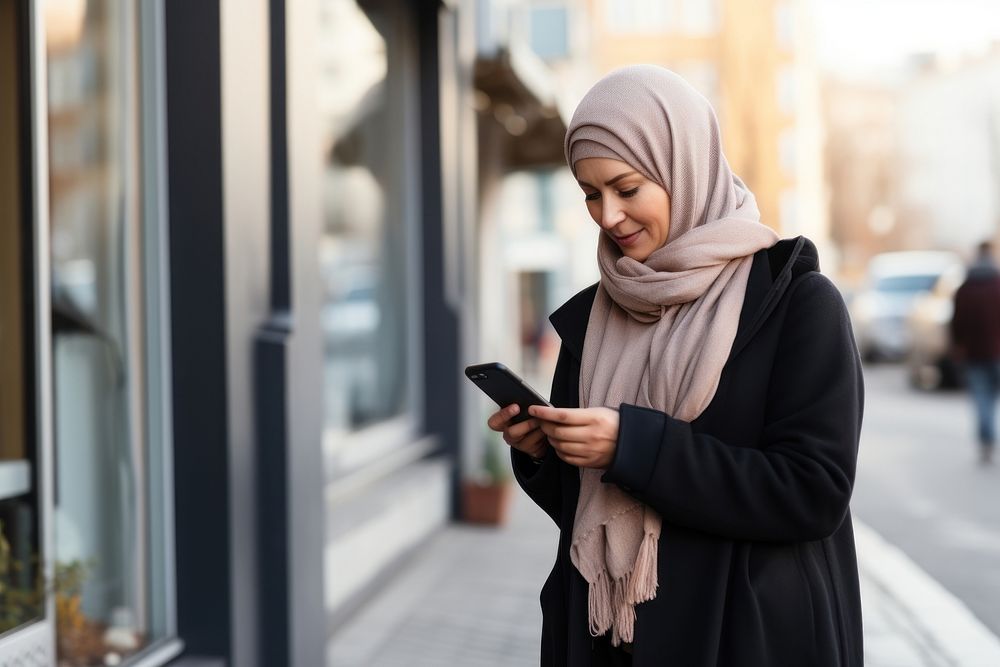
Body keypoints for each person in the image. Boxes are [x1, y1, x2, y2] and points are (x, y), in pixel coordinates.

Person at [486, 66, 864, 666]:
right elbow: (590, 513)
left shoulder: (795, 304)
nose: (608, 215)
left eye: (627, 187)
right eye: (590, 193)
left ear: (682, 169)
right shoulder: (590, 321)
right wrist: (544, 453)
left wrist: (634, 446)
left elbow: (812, 492)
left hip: (743, 638)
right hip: (609, 641)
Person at [950, 240, 1000, 464]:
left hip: (974, 353)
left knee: (981, 400)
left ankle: (986, 440)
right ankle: (988, 438)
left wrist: (958, 345)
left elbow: (956, 323)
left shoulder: (965, 288)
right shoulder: (998, 285)